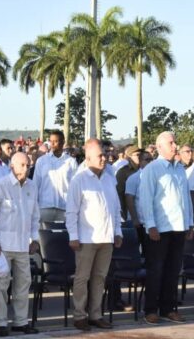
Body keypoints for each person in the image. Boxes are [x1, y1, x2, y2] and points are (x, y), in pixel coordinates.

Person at [66, 139, 123, 331]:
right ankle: (79, 315)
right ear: (88, 157)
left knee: (100, 277)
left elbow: (115, 208)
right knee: (82, 278)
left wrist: (118, 231)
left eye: (105, 155)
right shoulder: (79, 180)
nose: (104, 159)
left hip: (106, 238)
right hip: (85, 238)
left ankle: (96, 314)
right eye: (100, 155)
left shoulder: (108, 178)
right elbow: (71, 211)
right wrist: (73, 235)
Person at [139, 131, 194, 325]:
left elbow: (186, 198)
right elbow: (146, 199)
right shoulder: (152, 169)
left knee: (173, 271)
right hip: (160, 228)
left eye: (174, 142)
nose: (174, 145)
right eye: (170, 143)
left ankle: (168, 308)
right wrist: (151, 225)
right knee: (156, 270)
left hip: (178, 227)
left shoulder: (179, 168)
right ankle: (151, 310)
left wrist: (190, 223)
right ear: (159, 147)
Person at [0, 153, 40, 336]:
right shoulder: (1, 185)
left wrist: (35, 238)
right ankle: (0, 323)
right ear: (12, 166)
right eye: (22, 165)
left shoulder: (32, 186)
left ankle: (20, 322)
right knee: (0, 285)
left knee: (24, 283)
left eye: (28, 165)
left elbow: (35, 216)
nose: (26, 169)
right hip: (2, 246)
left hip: (23, 245)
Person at [33, 130, 78, 222]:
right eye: (51, 141)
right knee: (43, 235)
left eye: (56, 141)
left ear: (62, 142)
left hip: (64, 208)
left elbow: (75, 186)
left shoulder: (71, 162)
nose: (52, 144)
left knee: (64, 235)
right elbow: (35, 184)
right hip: (45, 207)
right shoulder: (41, 161)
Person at [125, 151, 153, 249]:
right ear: (140, 162)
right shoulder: (134, 178)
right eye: (147, 160)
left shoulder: (155, 177)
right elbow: (129, 199)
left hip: (151, 222)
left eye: (151, 160)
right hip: (139, 222)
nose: (150, 162)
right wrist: (135, 219)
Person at [115, 146, 142, 221]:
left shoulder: (144, 169)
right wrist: (123, 214)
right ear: (129, 157)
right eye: (137, 155)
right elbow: (120, 194)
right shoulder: (123, 172)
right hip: (129, 214)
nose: (140, 157)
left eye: (141, 155)